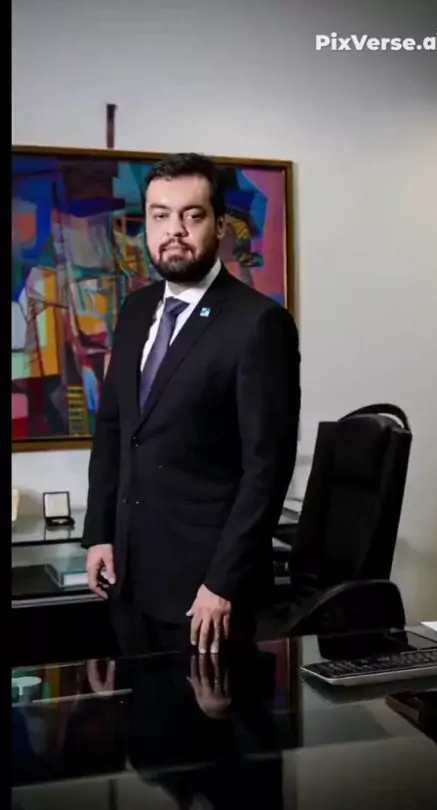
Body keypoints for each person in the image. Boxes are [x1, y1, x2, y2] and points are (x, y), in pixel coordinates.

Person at [82, 152, 301, 655]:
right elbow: (114, 429)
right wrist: (99, 534)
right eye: (160, 215)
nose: (174, 230)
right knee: (138, 705)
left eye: (192, 215)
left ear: (219, 225)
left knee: (208, 709)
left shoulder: (258, 323)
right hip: (129, 579)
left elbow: (266, 469)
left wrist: (222, 583)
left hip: (207, 595)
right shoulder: (135, 310)